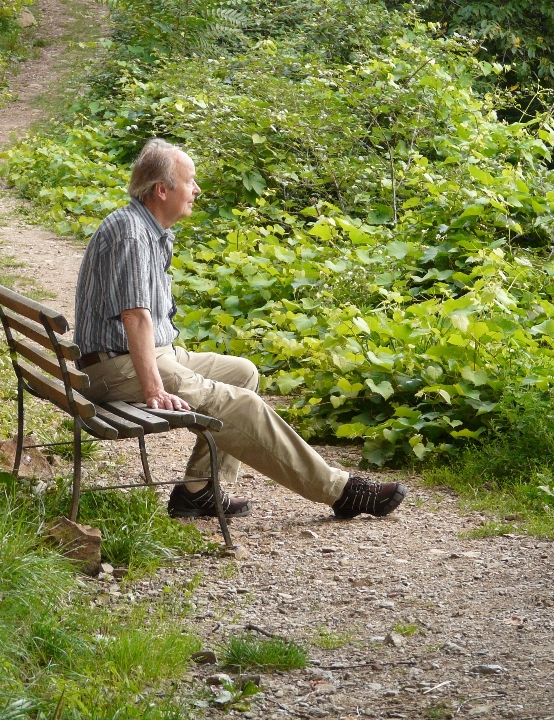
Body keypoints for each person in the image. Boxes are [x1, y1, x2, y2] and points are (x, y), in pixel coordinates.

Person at [73, 138, 407, 520]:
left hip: (136, 355)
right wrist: (154, 388)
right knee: (242, 405)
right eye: (190, 181)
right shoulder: (133, 234)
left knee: (243, 372)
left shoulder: (145, 228)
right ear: (162, 190)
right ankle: (339, 490)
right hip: (116, 365)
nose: (196, 189)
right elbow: (135, 317)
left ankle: (197, 490)